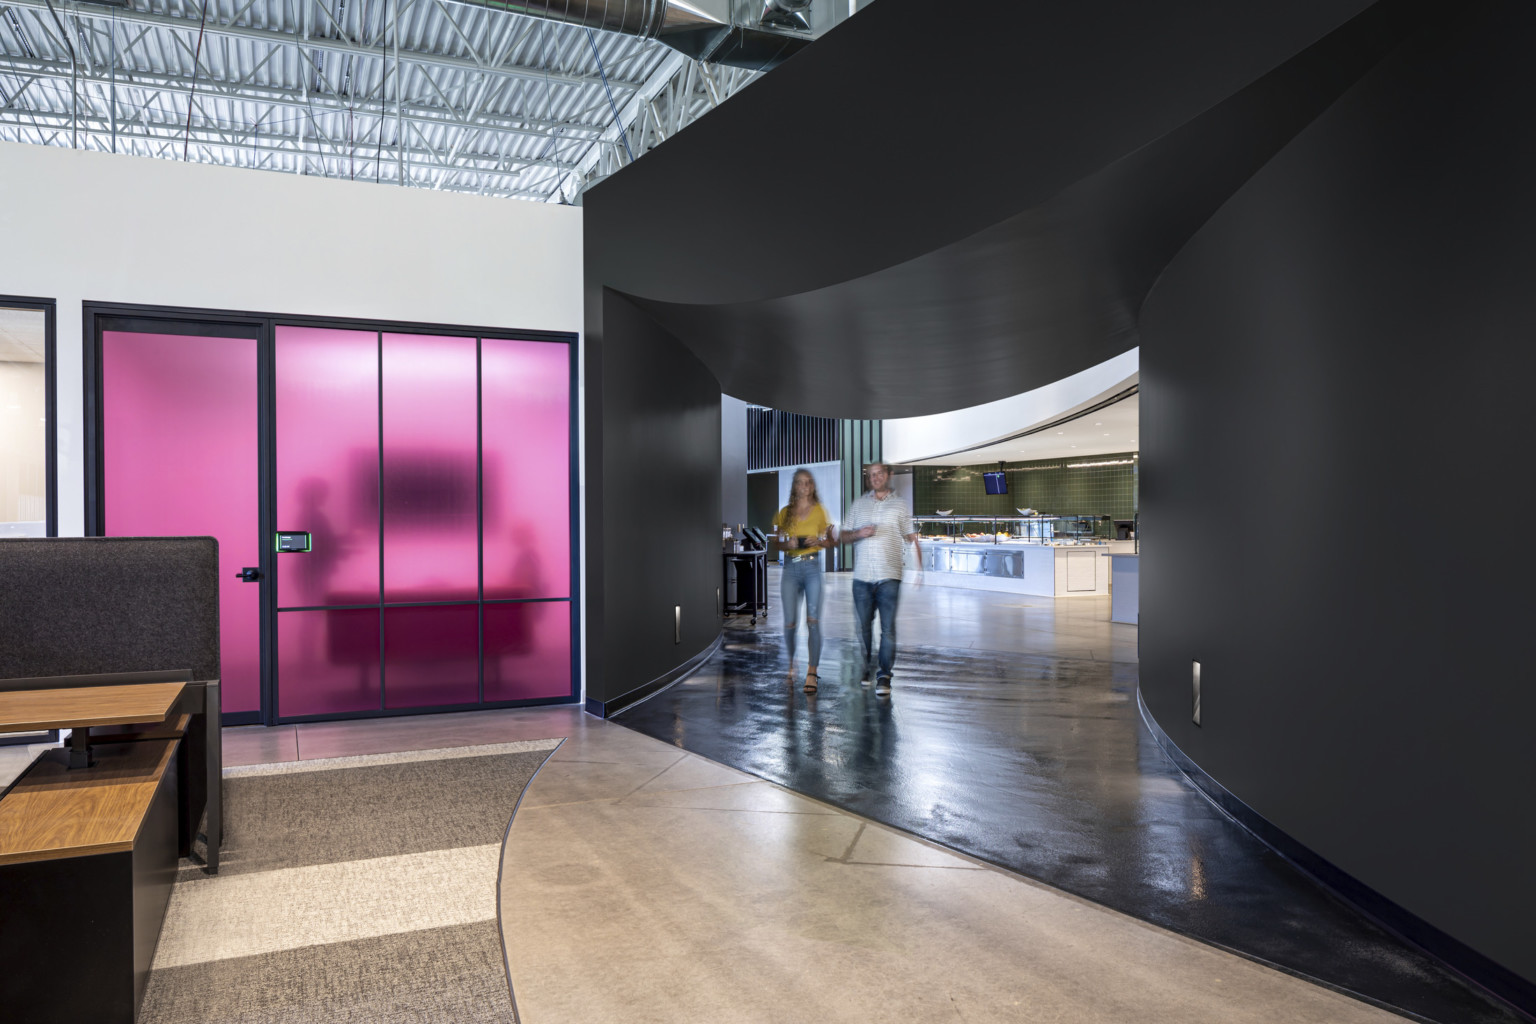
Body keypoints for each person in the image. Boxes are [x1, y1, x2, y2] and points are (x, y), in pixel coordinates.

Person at [837, 462, 922, 697]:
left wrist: (918, 568)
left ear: (888, 475)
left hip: (889, 575)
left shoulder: (900, 505)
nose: (875, 478)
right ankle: (866, 667)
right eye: (871, 475)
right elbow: (844, 536)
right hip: (862, 577)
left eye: (879, 474)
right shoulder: (859, 505)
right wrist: (858, 533)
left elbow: (910, 537)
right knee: (863, 628)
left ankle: (884, 676)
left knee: (888, 629)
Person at [773, 468, 833, 693]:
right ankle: (791, 664)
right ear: (795, 487)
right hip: (789, 568)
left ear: (812, 487)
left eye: (808, 483)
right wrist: (785, 544)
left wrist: (818, 539)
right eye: (800, 483)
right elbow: (776, 541)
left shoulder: (820, 511)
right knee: (789, 623)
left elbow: (829, 542)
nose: (804, 486)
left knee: (813, 620)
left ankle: (812, 671)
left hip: (812, 568)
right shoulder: (784, 513)